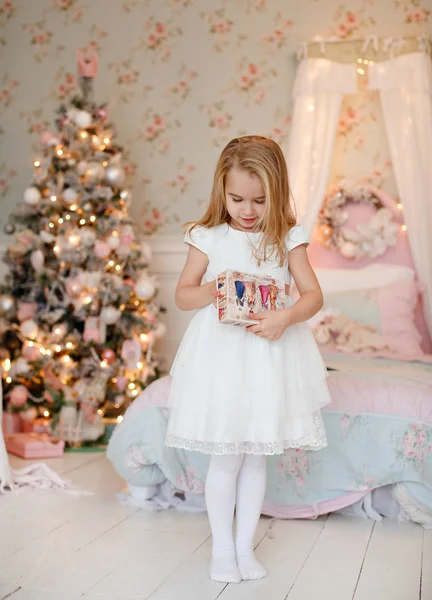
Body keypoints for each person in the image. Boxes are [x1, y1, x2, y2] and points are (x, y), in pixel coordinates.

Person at [165, 135, 332, 584]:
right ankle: (222, 549)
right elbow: (183, 295)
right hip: (220, 357)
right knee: (227, 457)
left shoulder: (287, 238)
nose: (248, 209)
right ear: (222, 189)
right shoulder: (208, 237)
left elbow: (313, 295)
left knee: (257, 457)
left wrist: (285, 316)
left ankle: (244, 547)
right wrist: (218, 287)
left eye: (260, 200)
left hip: (269, 355)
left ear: (276, 192)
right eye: (237, 198)